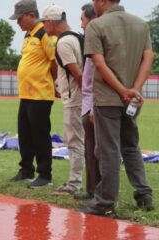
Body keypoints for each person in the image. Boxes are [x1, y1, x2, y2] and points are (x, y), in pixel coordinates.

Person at [81, 0, 154, 217]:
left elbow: (99, 64)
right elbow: (148, 57)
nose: (94, 4)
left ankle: (104, 202)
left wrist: (122, 90)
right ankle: (144, 194)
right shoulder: (141, 24)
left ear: (103, 1)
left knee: (108, 150)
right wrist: (134, 89)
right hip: (133, 98)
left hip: (108, 97)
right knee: (131, 146)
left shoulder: (97, 25)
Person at [9, 0, 57, 187]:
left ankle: (45, 174)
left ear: (31, 15)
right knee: (25, 134)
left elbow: (53, 61)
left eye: (19, 18)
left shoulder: (44, 33)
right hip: (27, 95)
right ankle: (26, 168)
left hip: (40, 94)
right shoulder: (29, 35)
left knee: (40, 135)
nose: (17, 22)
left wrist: (55, 83)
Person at [40, 4, 85, 195]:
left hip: (75, 99)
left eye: (44, 22)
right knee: (81, 141)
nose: (43, 27)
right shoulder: (76, 36)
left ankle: (74, 183)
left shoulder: (63, 42)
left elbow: (78, 75)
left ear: (50, 21)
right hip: (79, 97)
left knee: (74, 141)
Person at [73, 3, 100, 201]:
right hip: (89, 102)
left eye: (82, 20)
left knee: (96, 151)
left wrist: (93, 107)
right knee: (90, 151)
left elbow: (99, 76)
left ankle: (98, 193)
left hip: (93, 104)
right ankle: (92, 191)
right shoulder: (91, 41)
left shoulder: (99, 39)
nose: (81, 25)